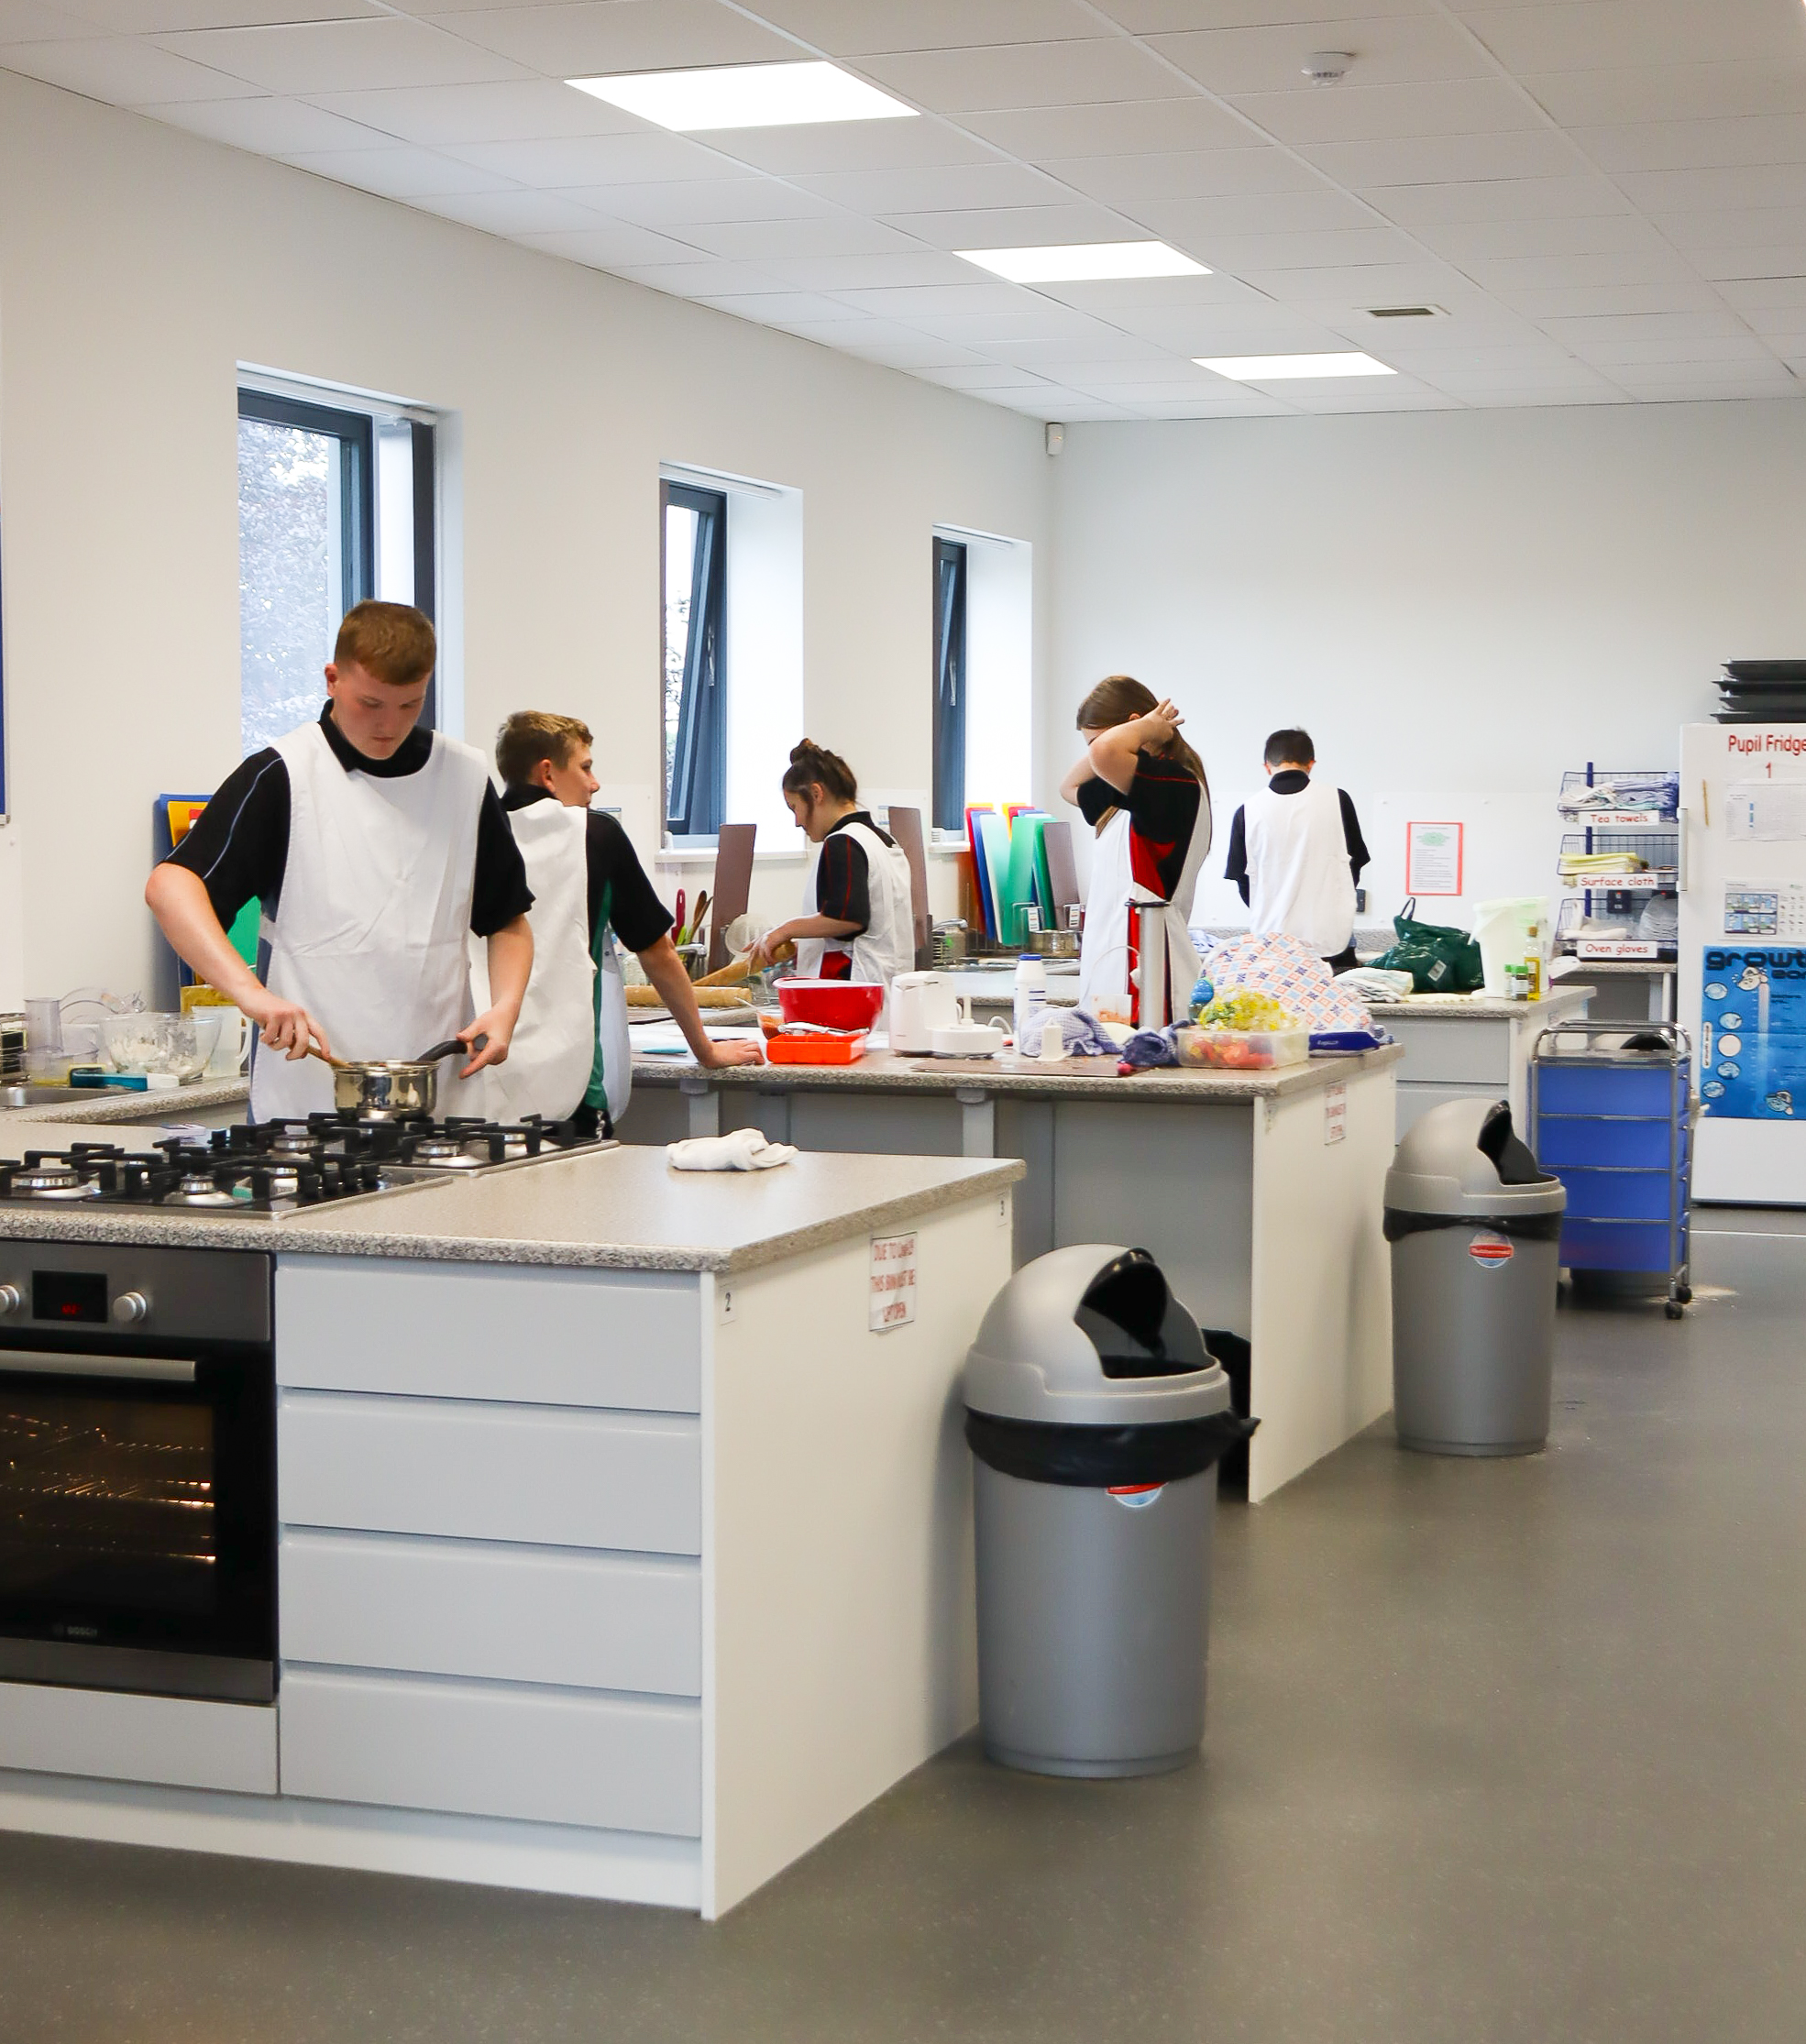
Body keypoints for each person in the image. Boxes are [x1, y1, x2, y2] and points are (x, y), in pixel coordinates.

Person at [146, 601, 533, 1120]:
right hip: (309, 1091)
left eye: (409, 705)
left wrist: (506, 1006)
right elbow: (171, 885)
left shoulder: (463, 778)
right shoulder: (284, 774)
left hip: (437, 1087)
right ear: (332, 679)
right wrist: (252, 995)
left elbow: (506, 918)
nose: (387, 725)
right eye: (370, 703)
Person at [488, 713, 761, 1134]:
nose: (594, 783)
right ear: (548, 773)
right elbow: (657, 953)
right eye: (585, 767)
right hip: (571, 1090)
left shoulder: (478, 835)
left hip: (484, 1084)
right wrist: (706, 1050)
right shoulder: (596, 835)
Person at [1058, 676, 1212, 1026]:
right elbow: (1069, 786)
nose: (1093, 752)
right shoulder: (1127, 793)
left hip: (1148, 968)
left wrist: (1146, 728)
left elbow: (1104, 753)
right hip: (1113, 963)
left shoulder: (1174, 784)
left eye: (1097, 739)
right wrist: (1137, 731)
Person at [749, 742, 915, 991]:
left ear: (816, 794)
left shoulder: (843, 842)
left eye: (794, 807)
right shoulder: (883, 841)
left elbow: (847, 919)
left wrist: (785, 930)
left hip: (850, 993)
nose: (796, 822)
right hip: (889, 993)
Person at [1223, 728, 1370, 974]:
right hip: (1333, 943)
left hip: (1272, 944)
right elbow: (1355, 864)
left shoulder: (1247, 811)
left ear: (1267, 766)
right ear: (1311, 764)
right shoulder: (1338, 800)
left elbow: (1242, 880)